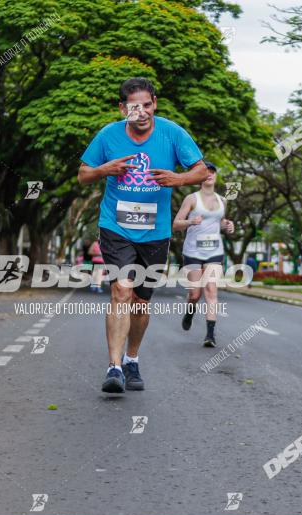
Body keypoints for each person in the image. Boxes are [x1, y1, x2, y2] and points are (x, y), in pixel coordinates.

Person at [78, 77, 208, 393]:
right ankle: (114, 367)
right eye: (135, 107)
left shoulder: (172, 133)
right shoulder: (108, 136)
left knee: (139, 302)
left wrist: (178, 178)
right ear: (123, 108)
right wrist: (102, 170)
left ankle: (132, 359)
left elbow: (201, 171)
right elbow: (83, 175)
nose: (143, 112)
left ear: (154, 104)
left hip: (155, 231)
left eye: (148, 105)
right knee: (121, 291)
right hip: (116, 226)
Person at [172, 161, 235, 347]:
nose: (209, 174)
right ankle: (189, 312)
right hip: (192, 251)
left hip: (214, 251)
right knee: (194, 294)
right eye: (205, 171)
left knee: (211, 291)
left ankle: (210, 335)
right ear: (199, 176)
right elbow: (176, 224)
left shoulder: (222, 200)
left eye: (213, 171)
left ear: (216, 176)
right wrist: (191, 222)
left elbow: (222, 222)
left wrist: (229, 225)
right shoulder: (191, 199)